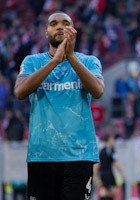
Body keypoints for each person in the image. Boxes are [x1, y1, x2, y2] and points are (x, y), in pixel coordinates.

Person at [14, 11, 104, 199]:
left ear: (73, 30)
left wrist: (70, 57)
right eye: (54, 24)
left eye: (65, 23)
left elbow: (98, 91)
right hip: (42, 155)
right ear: (46, 32)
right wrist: (55, 61)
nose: (60, 27)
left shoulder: (89, 61)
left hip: (79, 156)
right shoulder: (32, 62)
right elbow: (20, 91)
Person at [94, 134, 126, 200]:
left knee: (105, 189)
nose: (113, 140)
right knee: (113, 191)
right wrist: (122, 172)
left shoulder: (101, 150)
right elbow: (115, 163)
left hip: (102, 173)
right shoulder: (111, 150)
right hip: (109, 173)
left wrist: (95, 174)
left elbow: (97, 164)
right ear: (109, 140)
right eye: (112, 139)